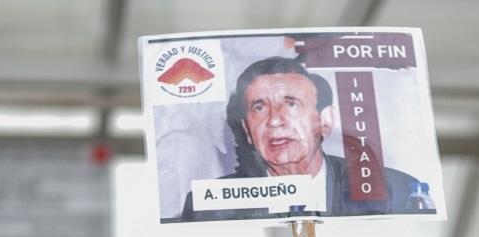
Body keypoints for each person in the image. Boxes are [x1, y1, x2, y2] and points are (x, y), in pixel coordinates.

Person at [178, 57, 429, 221]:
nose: (275, 120)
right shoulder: (210, 206)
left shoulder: (397, 190)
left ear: (325, 120)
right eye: (259, 107)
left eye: (292, 104)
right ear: (246, 129)